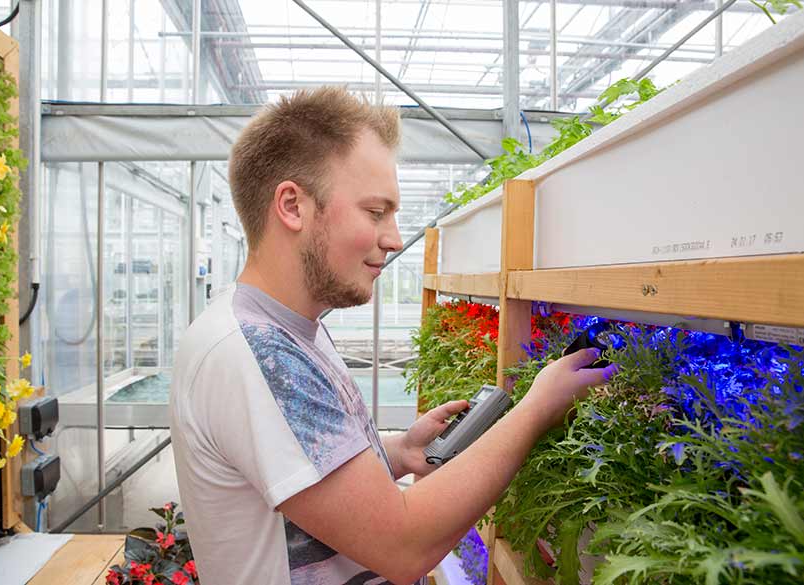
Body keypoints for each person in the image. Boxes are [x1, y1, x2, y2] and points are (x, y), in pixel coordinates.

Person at [169, 86, 617, 585]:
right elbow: (403, 545)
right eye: (375, 211)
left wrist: (399, 452)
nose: (395, 237)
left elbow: (300, 472)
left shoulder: (290, 330)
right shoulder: (256, 353)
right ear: (292, 206)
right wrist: (536, 409)